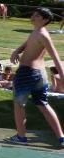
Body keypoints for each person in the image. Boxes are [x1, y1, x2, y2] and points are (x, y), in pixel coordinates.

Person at [7, 8, 64, 147]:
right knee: (43, 104)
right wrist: (17, 51)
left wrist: (62, 76)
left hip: (27, 73)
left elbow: (55, 56)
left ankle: (21, 137)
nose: (33, 16)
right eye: (33, 14)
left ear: (45, 20)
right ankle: (61, 137)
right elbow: (28, 43)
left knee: (19, 105)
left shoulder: (43, 35)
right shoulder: (37, 31)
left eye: (37, 16)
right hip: (39, 75)